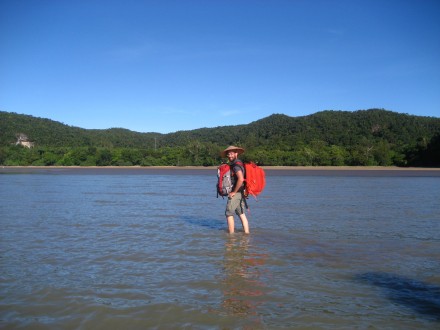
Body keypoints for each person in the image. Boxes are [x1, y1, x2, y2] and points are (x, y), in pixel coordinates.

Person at [220, 146, 250, 234]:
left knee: (228, 213)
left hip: (236, 193)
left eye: (232, 153)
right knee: (241, 213)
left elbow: (240, 179)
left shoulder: (236, 165)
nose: (229, 156)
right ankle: (246, 233)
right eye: (228, 154)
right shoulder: (240, 163)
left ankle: (231, 236)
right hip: (241, 192)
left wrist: (233, 192)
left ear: (236, 153)